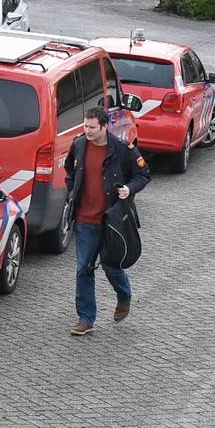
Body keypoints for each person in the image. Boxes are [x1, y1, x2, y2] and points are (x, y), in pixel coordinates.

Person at [63, 106, 150, 336]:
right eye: (85, 126)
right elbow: (69, 171)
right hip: (84, 220)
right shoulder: (79, 144)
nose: (87, 131)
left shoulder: (122, 149)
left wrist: (129, 190)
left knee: (112, 266)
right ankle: (85, 319)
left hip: (113, 221)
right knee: (84, 269)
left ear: (104, 126)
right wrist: (73, 192)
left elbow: (143, 175)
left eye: (92, 127)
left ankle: (124, 295)